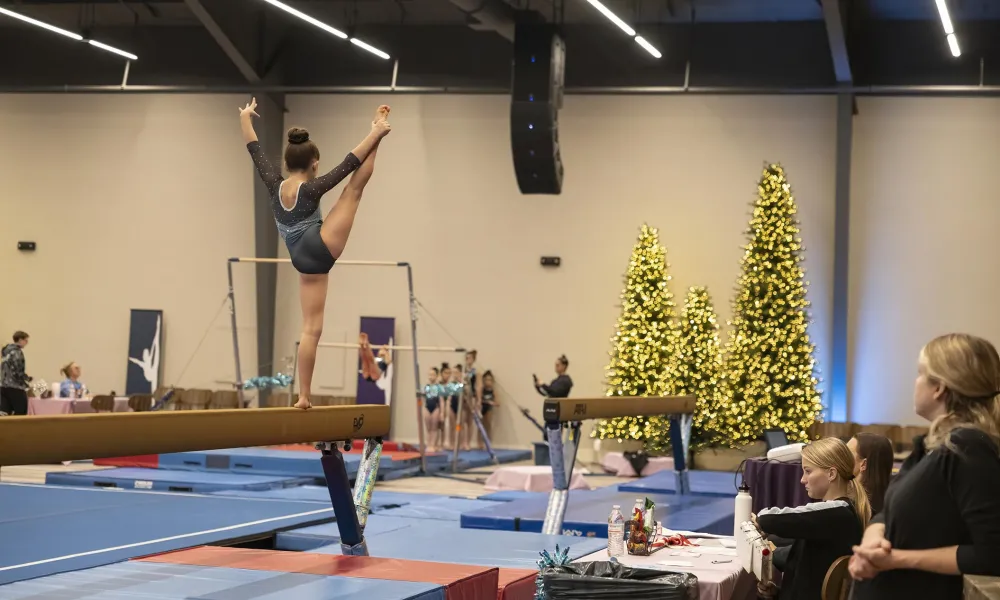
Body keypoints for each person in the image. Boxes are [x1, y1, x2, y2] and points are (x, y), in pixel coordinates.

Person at [241, 97, 391, 409]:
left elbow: (255, 150)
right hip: (316, 245)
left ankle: (304, 396)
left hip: (303, 259)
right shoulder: (311, 189)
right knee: (353, 189)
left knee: (310, 330)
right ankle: (378, 131)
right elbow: (351, 162)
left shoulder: (273, 183)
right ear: (315, 164)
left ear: (284, 164)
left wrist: (245, 117)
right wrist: (374, 135)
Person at [849, 333, 1000, 600]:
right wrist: (873, 539)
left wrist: (897, 559)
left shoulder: (968, 446)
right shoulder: (931, 447)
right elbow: (888, 514)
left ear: (939, 388)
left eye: (920, 373)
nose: (915, 382)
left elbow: (992, 553)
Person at [754, 437, 870, 600]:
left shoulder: (837, 513)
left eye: (808, 471)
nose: (802, 479)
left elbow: (767, 518)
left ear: (831, 473)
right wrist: (777, 593)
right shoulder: (841, 513)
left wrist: (758, 520)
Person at [847, 432, 894, 515]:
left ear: (863, 464)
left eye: (847, 453)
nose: (840, 457)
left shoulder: (851, 508)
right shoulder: (891, 504)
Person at [1, 331, 31, 416]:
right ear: (20, 340)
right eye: (26, 340)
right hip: (15, 387)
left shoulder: (5, 352)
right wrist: (27, 380)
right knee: (20, 413)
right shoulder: (17, 352)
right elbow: (17, 371)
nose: (27, 343)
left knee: (4, 414)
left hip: (3, 386)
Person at [423, 366, 442, 452]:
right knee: (428, 428)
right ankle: (429, 444)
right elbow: (424, 399)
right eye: (430, 375)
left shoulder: (439, 387)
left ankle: (433, 444)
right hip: (427, 407)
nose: (431, 376)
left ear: (437, 376)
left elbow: (441, 400)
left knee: (434, 428)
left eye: (433, 375)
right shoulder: (426, 387)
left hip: (436, 408)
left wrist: (442, 413)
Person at [480, 370, 499, 448]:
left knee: (488, 424)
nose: (488, 382)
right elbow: (479, 399)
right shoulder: (481, 390)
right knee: (480, 426)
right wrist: (486, 401)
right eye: (486, 380)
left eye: (490, 380)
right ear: (483, 381)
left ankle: (488, 442)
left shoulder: (493, 391)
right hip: (481, 407)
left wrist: (492, 403)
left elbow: (498, 403)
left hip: (489, 408)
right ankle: (480, 443)